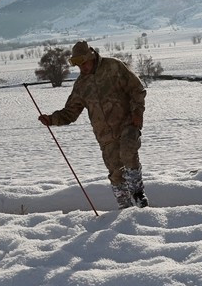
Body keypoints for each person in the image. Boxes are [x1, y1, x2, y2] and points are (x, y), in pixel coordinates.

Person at [37, 40, 148, 209]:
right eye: (79, 66)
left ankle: (139, 197)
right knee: (116, 174)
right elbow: (70, 113)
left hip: (127, 124)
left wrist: (137, 113)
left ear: (92, 56)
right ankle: (125, 210)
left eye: (84, 64)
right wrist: (51, 120)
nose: (82, 69)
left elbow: (136, 89)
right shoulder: (81, 85)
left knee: (128, 152)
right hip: (105, 136)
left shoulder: (114, 67)